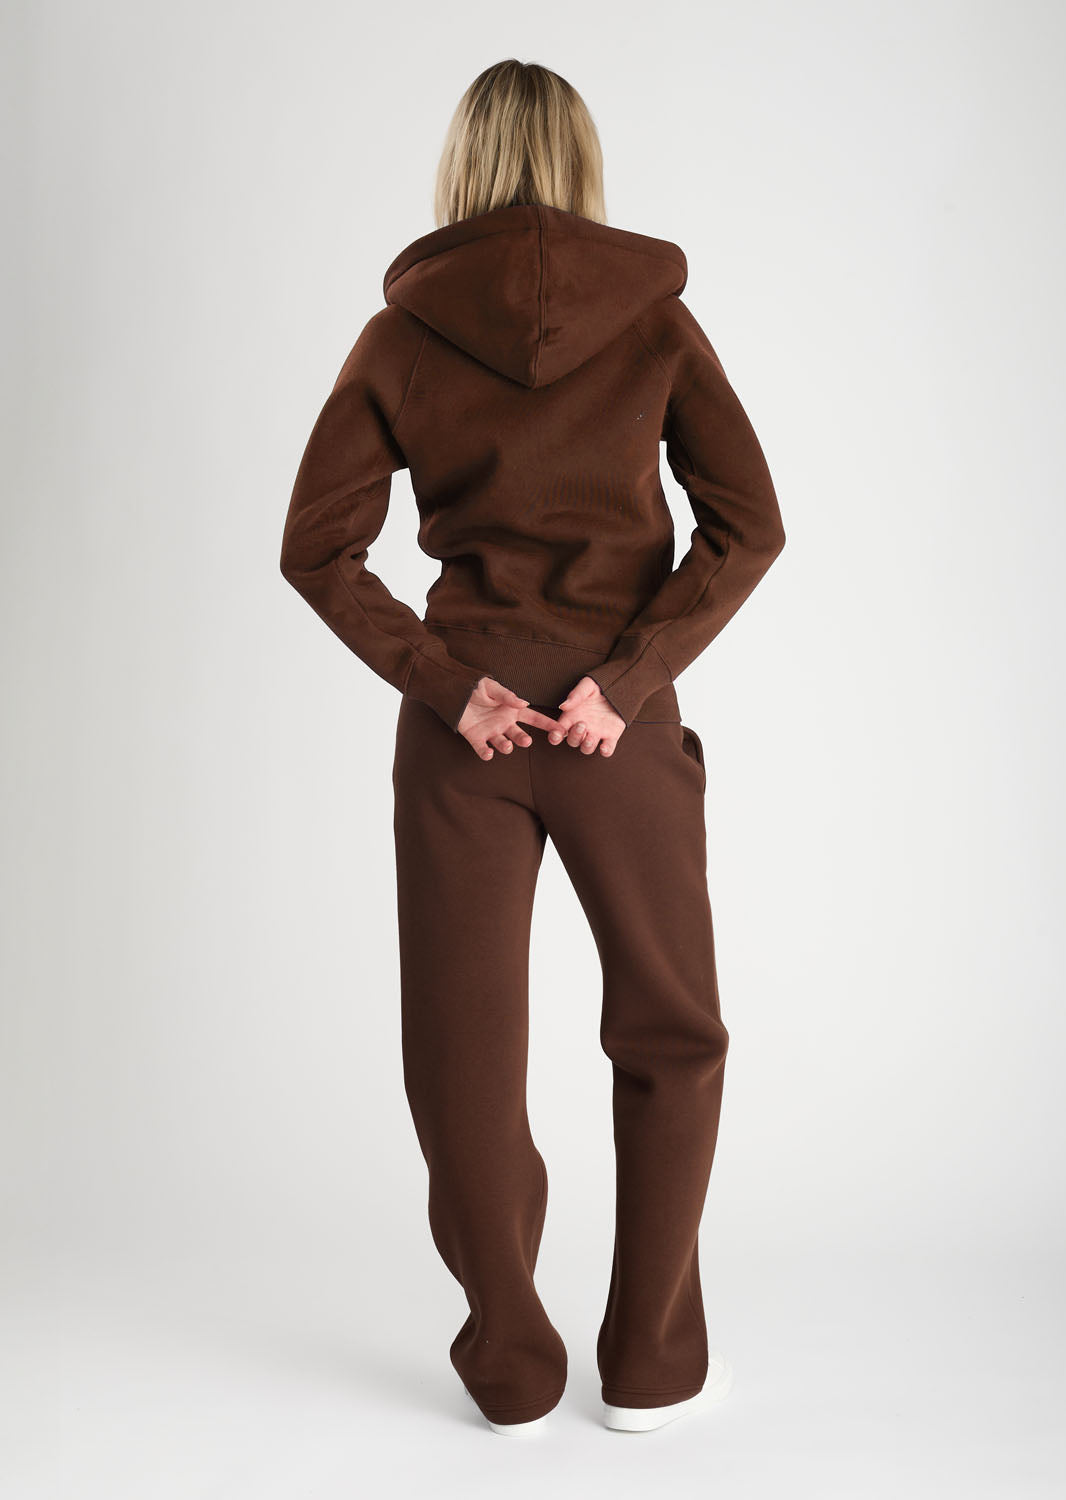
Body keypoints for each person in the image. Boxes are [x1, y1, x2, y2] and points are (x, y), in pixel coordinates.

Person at [279, 58, 786, 1437]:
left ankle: (508, 1361)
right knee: (672, 1031)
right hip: (620, 731)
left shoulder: (400, 336)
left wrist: (449, 688)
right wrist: (628, 678)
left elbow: (315, 548)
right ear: (580, 160)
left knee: (460, 1051)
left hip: (471, 737)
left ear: (463, 162)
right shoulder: (655, 321)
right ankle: (653, 1368)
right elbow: (749, 522)